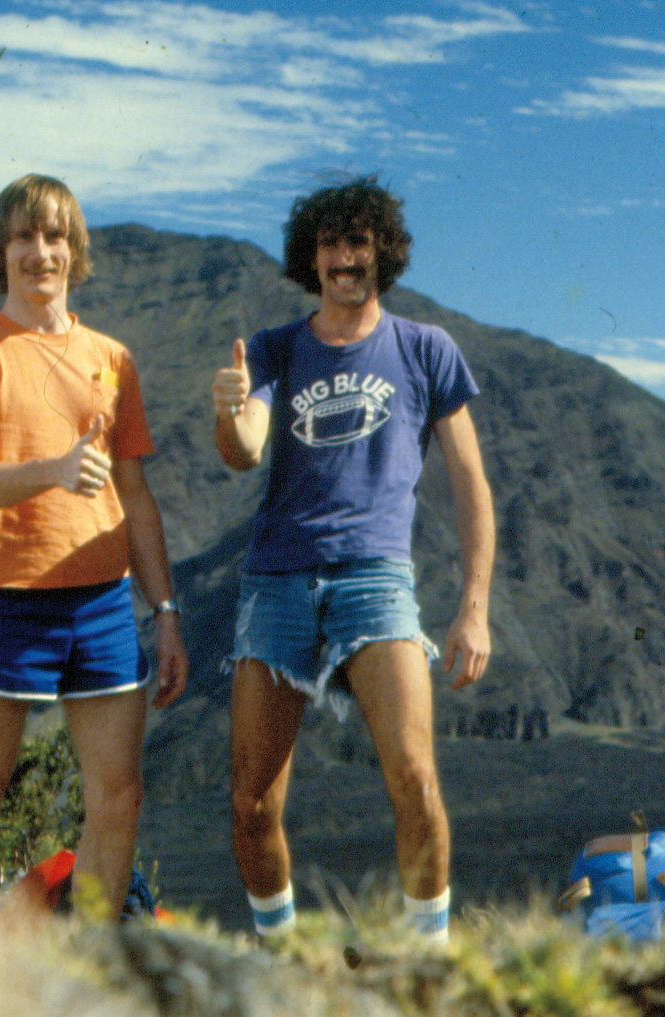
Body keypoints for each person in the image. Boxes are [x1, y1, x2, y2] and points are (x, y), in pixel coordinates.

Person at [211, 175, 494, 941]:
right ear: (312, 257)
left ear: (383, 253)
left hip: (375, 578)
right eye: (331, 244)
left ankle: (425, 962)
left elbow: (471, 483)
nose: (345, 258)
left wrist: (473, 606)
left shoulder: (425, 350)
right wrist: (229, 409)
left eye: (359, 243)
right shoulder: (275, 351)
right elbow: (244, 450)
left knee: (416, 778)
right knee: (251, 803)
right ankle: (285, 960)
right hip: (277, 581)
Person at [0, 174, 187, 914]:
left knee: (119, 796)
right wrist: (56, 469)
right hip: (9, 600)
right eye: (26, 236)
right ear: (0, 253)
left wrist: (164, 610)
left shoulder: (113, 359)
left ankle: (89, 965)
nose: (43, 251)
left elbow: (135, 496)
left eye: (57, 236)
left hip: (102, 604)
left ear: (77, 252)